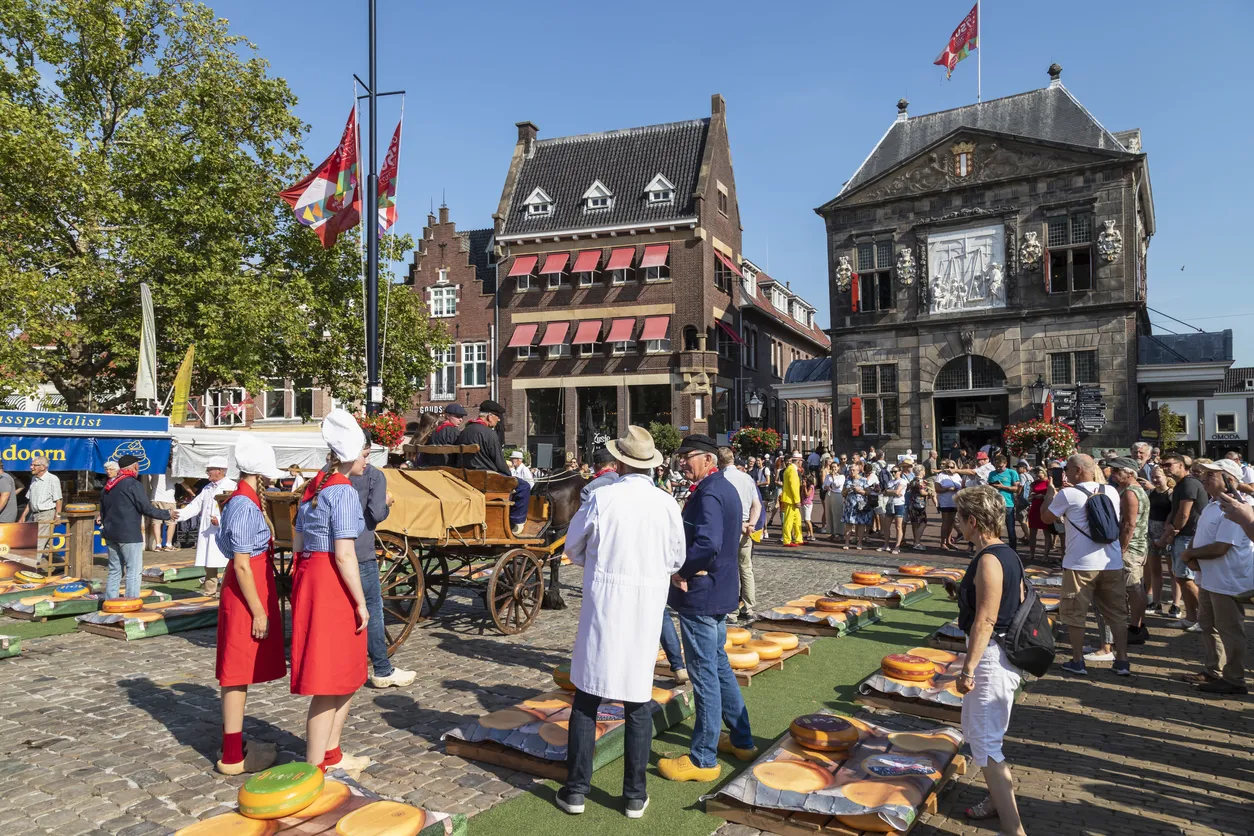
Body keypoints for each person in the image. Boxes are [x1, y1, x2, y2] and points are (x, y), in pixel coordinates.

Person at [555, 428, 685, 819]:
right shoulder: (666, 504)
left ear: (621, 462)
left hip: (605, 605)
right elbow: (676, 558)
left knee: (587, 696)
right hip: (644, 607)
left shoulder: (603, 498)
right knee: (637, 700)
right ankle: (633, 795)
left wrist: (597, 564)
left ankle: (576, 790)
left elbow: (572, 546)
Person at [658, 434, 755, 783]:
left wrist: (680, 570)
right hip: (719, 590)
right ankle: (742, 739)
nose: (682, 462)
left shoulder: (711, 491)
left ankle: (702, 758)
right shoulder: (723, 486)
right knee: (717, 663)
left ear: (708, 459)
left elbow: (707, 543)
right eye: (680, 456)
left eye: (687, 456)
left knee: (704, 674)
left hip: (702, 593)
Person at [291, 409, 372, 773]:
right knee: (329, 676)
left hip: (312, 573)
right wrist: (361, 600)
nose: (367, 461)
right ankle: (313, 769)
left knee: (346, 673)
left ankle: (331, 754)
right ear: (353, 454)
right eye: (366, 454)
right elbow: (344, 554)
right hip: (330, 583)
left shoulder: (317, 484)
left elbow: (296, 535)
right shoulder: (341, 491)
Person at [953, 485, 1027, 836]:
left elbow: (986, 618)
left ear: (972, 520)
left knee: (986, 744)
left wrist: (968, 669)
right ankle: (997, 805)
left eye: (958, 516)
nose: (955, 522)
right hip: (996, 655)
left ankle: (1014, 829)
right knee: (983, 737)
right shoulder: (1006, 553)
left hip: (990, 658)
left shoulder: (989, 559)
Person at [213, 435, 286, 776]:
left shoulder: (242, 500)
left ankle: (234, 746)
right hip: (246, 591)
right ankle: (231, 755)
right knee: (236, 672)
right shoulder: (244, 504)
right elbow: (242, 563)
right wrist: (259, 609)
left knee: (236, 672)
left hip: (245, 586)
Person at [1040, 454, 1129, 676]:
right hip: (1112, 562)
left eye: (1068, 469)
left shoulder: (1068, 494)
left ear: (1078, 470)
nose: (1066, 473)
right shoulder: (1111, 491)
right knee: (1116, 613)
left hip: (1080, 564)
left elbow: (1046, 518)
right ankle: (1122, 661)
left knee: (1074, 613)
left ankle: (1078, 661)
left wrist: (1051, 492)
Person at [1180, 460, 1252, 696]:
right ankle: (1214, 670)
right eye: (1204, 474)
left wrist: (1190, 554)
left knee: (1229, 630)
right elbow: (1201, 535)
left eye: (1211, 475)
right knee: (1209, 626)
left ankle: (1235, 678)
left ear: (1229, 480)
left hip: (1228, 580)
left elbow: (1222, 547)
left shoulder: (1237, 506)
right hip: (1210, 578)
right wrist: (1191, 551)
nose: (1204, 478)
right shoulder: (1213, 505)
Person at [349, 436, 415, 690]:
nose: (367, 460)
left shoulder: (324, 475)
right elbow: (376, 514)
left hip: (328, 555)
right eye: (365, 454)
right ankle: (382, 668)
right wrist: (386, 504)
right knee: (373, 608)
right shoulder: (373, 475)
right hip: (361, 550)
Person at [1087, 458, 1151, 662]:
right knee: (1133, 587)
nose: (1113, 473)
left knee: (1132, 587)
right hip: (1137, 546)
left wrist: (1121, 549)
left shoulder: (1131, 492)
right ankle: (1135, 627)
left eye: (1117, 471)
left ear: (1129, 473)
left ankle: (1135, 628)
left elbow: (1129, 524)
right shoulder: (1132, 490)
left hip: (1131, 548)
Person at [99, 455, 175, 599]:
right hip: (129, 534)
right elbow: (146, 508)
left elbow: (102, 512)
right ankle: (131, 602)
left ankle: (110, 602)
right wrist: (167, 514)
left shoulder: (108, 486)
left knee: (115, 570)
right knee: (133, 570)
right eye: (138, 466)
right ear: (134, 467)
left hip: (110, 533)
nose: (138, 468)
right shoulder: (133, 484)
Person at [457, 399, 531, 536]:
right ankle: (516, 523)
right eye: (497, 417)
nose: (498, 420)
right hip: (488, 479)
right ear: (490, 416)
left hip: (468, 478)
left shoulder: (464, 431)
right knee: (524, 486)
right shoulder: (489, 434)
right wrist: (509, 476)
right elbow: (499, 461)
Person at [1157, 453, 1207, 629]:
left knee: (1186, 578)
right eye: (1162, 465)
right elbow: (1176, 510)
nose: (1165, 468)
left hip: (1188, 536)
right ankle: (1192, 618)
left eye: (1168, 465)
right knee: (1181, 577)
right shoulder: (1180, 485)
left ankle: (1204, 619)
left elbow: (1184, 513)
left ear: (1180, 465)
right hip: (1183, 535)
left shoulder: (1189, 483)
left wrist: (1171, 532)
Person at [178, 456, 237, 596]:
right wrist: (178, 514)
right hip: (207, 531)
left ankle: (228, 591)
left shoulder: (231, 486)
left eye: (210, 469)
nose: (207, 472)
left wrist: (222, 520)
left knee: (228, 561)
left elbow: (235, 510)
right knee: (209, 562)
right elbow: (195, 506)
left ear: (221, 471)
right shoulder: (207, 488)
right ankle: (210, 591)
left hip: (224, 531)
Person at [718, 447, 761, 623]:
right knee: (746, 568)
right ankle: (749, 608)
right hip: (746, 529)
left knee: (729, 569)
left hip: (729, 528)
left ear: (720, 461)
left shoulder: (721, 479)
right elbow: (756, 505)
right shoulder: (747, 478)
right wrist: (751, 524)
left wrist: (741, 525)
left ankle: (732, 611)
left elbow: (723, 509)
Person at [1145, 466, 1174, 614]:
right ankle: (1156, 602)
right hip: (1151, 534)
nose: (1155, 479)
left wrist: (1167, 536)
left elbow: (1174, 514)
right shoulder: (1149, 493)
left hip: (1167, 535)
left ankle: (1175, 604)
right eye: (1153, 476)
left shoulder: (1171, 494)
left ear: (1166, 477)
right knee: (1155, 571)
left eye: (1158, 476)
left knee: (1173, 571)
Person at [19, 455, 62, 554]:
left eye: (34, 465)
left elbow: (58, 499)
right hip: (34, 514)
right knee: (45, 545)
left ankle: (31, 567)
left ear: (43, 467)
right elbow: (30, 500)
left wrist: (58, 516)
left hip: (46, 514)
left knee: (37, 543)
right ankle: (59, 565)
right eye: (31, 465)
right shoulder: (34, 479)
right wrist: (23, 516)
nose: (31, 467)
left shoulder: (52, 479)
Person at [986, 456, 1021, 551]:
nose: (998, 469)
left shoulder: (1012, 473)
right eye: (996, 466)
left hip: (1007, 504)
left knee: (1010, 529)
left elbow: (1016, 488)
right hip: (995, 504)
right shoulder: (992, 474)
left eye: (1000, 467)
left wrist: (1002, 487)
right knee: (996, 528)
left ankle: (1013, 549)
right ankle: (998, 548)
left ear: (1005, 463)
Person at [1025, 466, 1055, 563]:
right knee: (1033, 533)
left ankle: (1045, 555)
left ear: (1044, 473)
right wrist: (1033, 496)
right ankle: (1032, 553)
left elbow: (1053, 494)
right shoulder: (1033, 484)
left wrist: (1043, 496)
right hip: (1034, 508)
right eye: (1036, 475)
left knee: (1046, 532)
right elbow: (1028, 498)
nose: (1037, 476)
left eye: (1039, 474)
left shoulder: (1049, 482)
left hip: (1045, 508)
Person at [841, 462, 873, 550]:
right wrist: (847, 490)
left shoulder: (863, 480)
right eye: (850, 470)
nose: (851, 471)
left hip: (860, 506)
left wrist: (860, 490)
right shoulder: (847, 480)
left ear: (858, 471)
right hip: (849, 506)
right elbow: (843, 494)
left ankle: (859, 543)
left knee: (861, 524)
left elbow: (868, 492)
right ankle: (847, 543)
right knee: (848, 524)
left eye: (853, 470)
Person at [147, 467, 178, 551]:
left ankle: (158, 545)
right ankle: (168, 544)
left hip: (154, 499)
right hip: (168, 500)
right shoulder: (172, 471)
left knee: (156, 522)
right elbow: (182, 482)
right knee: (171, 522)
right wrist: (192, 493)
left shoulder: (154, 470)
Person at [935, 459, 963, 550]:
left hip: (954, 501)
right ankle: (942, 542)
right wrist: (948, 489)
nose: (950, 469)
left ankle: (949, 541)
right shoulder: (941, 476)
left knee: (952, 522)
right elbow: (937, 489)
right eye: (948, 467)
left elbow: (961, 486)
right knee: (945, 522)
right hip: (945, 501)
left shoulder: (957, 475)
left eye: (952, 467)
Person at [879, 464, 906, 554]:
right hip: (890, 504)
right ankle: (886, 545)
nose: (893, 473)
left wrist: (892, 492)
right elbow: (885, 492)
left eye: (895, 471)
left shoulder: (902, 481)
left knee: (898, 526)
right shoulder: (890, 482)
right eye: (892, 472)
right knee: (886, 526)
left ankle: (897, 547)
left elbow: (897, 491)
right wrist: (893, 492)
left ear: (900, 472)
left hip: (899, 504)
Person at [779, 451, 803, 547]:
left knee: (797, 519)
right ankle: (787, 540)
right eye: (801, 461)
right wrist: (797, 500)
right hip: (791, 499)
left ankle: (798, 538)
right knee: (789, 520)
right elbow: (794, 487)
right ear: (798, 461)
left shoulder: (790, 469)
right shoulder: (792, 470)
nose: (801, 463)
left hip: (791, 499)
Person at [906, 464, 931, 550]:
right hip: (919, 504)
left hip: (912, 503)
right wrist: (929, 492)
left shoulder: (912, 480)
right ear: (922, 472)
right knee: (923, 522)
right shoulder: (920, 481)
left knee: (915, 523)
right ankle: (917, 542)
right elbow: (922, 492)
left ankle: (915, 540)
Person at [823, 462, 846, 542]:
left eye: (835, 467)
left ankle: (840, 533)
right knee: (829, 514)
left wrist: (833, 477)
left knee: (837, 514)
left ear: (838, 467)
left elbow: (836, 485)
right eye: (832, 467)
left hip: (837, 495)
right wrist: (825, 486)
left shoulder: (841, 476)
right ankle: (832, 532)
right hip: (829, 495)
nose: (833, 469)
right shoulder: (827, 476)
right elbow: (824, 485)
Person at [800, 474, 816, 542]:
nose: (804, 480)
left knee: (807, 519)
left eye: (805, 479)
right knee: (805, 520)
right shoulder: (805, 486)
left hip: (808, 504)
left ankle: (812, 534)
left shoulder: (811, 486)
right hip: (803, 503)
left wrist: (805, 488)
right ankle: (808, 533)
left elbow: (807, 494)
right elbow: (801, 494)